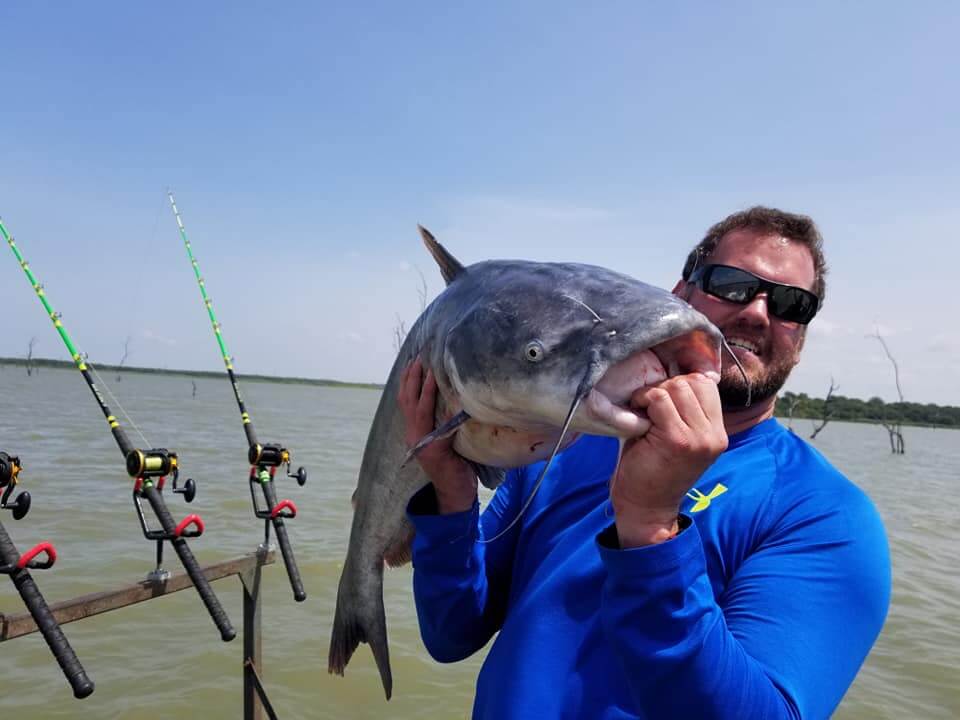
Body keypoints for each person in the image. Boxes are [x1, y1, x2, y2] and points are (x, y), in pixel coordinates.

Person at [398, 207, 891, 719]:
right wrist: (452, 495)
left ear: (802, 336)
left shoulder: (825, 516)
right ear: (679, 295)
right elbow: (451, 633)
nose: (758, 313)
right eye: (732, 284)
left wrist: (652, 530)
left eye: (793, 303)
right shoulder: (562, 442)